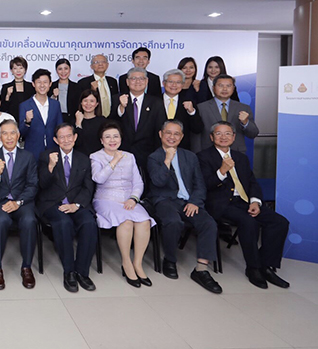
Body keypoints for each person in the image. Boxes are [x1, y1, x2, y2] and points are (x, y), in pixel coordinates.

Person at [198, 122, 290, 289]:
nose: (223, 137)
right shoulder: (203, 157)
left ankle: (266, 265)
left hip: (245, 201)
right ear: (211, 137)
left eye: (228, 133)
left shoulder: (241, 158)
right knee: (249, 222)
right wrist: (222, 171)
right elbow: (204, 185)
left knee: (280, 222)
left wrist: (255, 201)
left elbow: (252, 182)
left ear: (233, 137)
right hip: (221, 204)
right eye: (219, 134)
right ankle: (253, 268)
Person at [147, 120, 222, 293]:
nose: (172, 137)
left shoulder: (190, 156)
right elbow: (158, 182)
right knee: (173, 222)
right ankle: (170, 260)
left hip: (189, 201)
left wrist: (195, 201)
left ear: (181, 137)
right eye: (168, 133)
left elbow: (199, 184)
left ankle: (201, 270)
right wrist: (167, 159)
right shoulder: (154, 157)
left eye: (176, 134)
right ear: (161, 134)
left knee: (208, 223)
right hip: (164, 200)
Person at [90, 121, 154, 287]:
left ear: (121, 138)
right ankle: (126, 263)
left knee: (144, 222)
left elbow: (138, 182)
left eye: (115, 136)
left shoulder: (130, 156)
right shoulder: (95, 157)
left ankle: (137, 263)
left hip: (128, 200)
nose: (112, 140)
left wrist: (133, 198)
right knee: (126, 222)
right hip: (106, 199)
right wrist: (114, 161)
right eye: (108, 137)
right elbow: (98, 178)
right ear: (101, 140)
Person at [37, 123, 97, 293]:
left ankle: (82, 272)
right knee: (64, 223)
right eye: (61, 137)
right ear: (56, 140)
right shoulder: (46, 156)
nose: (66, 140)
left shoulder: (83, 159)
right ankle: (69, 271)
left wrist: (76, 205)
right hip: (52, 203)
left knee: (89, 223)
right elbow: (41, 184)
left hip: (76, 202)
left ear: (75, 137)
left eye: (69, 136)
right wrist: (50, 166)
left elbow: (88, 187)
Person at [0, 120, 39, 290]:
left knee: (29, 220)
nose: (9, 137)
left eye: (12, 133)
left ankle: (26, 267)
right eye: (4, 133)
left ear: (18, 135)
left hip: (22, 201)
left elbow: (33, 185)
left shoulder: (28, 157)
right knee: (1, 221)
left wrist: (18, 202)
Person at [115, 67, 165, 171]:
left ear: (146, 81)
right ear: (127, 82)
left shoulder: (156, 102)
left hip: (148, 154)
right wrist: (121, 108)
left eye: (141, 79)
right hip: (122, 154)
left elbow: (160, 130)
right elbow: (111, 123)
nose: (137, 81)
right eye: (133, 78)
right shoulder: (117, 99)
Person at [197, 75, 258, 153]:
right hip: (208, 153)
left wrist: (245, 123)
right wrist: (196, 154)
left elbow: (253, 134)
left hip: (237, 153)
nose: (225, 89)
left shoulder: (243, 108)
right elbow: (196, 137)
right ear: (213, 88)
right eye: (221, 85)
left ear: (233, 88)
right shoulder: (201, 108)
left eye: (228, 86)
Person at [19, 69, 63, 159]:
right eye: (39, 82)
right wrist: (27, 122)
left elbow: (60, 127)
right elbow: (21, 133)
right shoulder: (25, 105)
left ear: (50, 84)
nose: (42, 85)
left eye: (45, 82)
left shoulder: (55, 104)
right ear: (33, 84)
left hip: (52, 151)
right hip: (32, 152)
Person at [162, 69, 203, 150]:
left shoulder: (189, 102)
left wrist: (192, 112)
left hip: (182, 150)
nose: (174, 85)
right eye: (170, 82)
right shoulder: (154, 101)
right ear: (164, 83)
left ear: (183, 85)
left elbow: (198, 129)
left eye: (178, 82)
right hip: (156, 149)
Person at [77, 54, 118, 118]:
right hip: (93, 118)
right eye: (96, 62)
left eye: (103, 62)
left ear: (107, 65)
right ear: (91, 66)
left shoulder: (113, 81)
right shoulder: (83, 82)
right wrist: (92, 90)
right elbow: (81, 103)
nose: (100, 64)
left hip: (112, 118)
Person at [0, 56, 34, 122]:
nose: (18, 71)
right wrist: (7, 96)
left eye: (21, 68)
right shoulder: (6, 87)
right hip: (11, 121)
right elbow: (2, 109)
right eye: (15, 68)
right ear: (11, 70)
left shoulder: (31, 86)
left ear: (25, 70)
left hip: (28, 121)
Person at [74, 89, 107, 157]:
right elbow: (76, 143)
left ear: (97, 104)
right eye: (85, 101)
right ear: (81, 103)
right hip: (80, 159)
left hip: (99, 158)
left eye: (92, 101)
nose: (88, 104)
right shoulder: (74, 121)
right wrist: (78, 124)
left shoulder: (103, 121)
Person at [49, 58, 79, 124]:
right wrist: (54, 96)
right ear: (56, 71)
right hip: (54, 120)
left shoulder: (77, 87)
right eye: (60, 69)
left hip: (72, 120)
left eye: (66, 68)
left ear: (70, 70)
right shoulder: (50, 86)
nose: (63, 72)